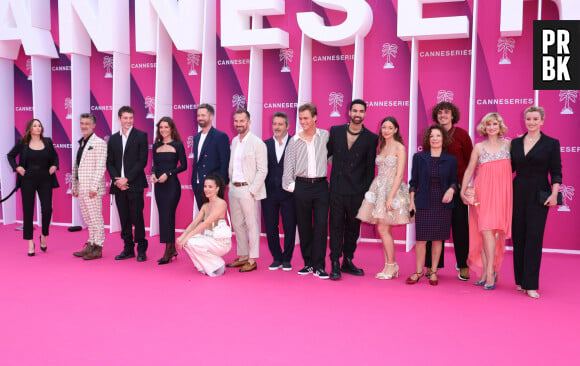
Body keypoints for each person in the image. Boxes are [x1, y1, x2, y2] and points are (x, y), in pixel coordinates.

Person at [511, 106, 562, 299]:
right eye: (529, 119)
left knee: (534, 237)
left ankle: (530, 284)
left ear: (542, 121)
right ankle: (520, 280)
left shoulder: (551, 143)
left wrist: (555, 193)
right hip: (517, 191)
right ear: (524, 121)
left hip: (540, 193)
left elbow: (556, 171)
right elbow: (507, 169)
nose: (531, 122)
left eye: (535, 119)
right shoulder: (515, 143)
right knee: (519, 236)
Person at [327, 99, 378, 280]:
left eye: (361, 111)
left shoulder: (371, 138)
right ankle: (334, 261)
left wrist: (365, 192)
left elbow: (370, 168)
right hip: (337, 189)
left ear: (365, 114)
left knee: (353, 228)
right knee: (335, 226)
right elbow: (328, 154)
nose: (357, 114)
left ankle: (347, 260)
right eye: (354, 110)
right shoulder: (336, 131)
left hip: (358, 192)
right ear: (349, 112)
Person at [460, 113, 512, 290]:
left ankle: (487, 271)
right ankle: (489, 271)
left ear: (500, 126)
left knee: (490, 232)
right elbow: (469, 170)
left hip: (502, 194)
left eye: (495, 124)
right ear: (484, 127)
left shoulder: (508, 144)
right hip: (482, 194)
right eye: (488, 124)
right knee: (484, 230)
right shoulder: (479, 147)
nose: (491, 127)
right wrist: (463, 190)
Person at [357, 117, 411, 280]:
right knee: (383, 229)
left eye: (390, 127)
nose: (386, 130)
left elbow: (400, 174)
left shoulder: (399, 147)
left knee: (383, 229)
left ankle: (392, 265)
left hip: (391, 189)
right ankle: (390, 265)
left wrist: (391, 196)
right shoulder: (382, 146)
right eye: (384, 127)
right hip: (379, 188)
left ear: (396, 130)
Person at [426, 102, 473, 281]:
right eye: (440, 113)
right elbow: (425, 161)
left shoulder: (461, 135)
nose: (443, 115)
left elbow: (470, 162)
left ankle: (463, 263)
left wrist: (464, 185)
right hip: (435, 189)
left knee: (460, 228)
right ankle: (432, 264)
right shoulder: (431, 133)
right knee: (435, 227)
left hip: (459, 190)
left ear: (453, 115)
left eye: (447, 113)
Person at [282, 103, 330, 279]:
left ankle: (320, 266)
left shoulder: (325, 136)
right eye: (300, 118)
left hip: (321, 187)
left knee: (321, 226)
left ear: (315, 117)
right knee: (304, 227)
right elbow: (288, 171)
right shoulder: (294, 141)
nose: (303, 122)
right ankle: (308, 263)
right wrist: (297, 189)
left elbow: (334, 158)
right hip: (301, 187)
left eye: (306, 118)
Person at [407, 125, 457, 286]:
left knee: (437, 239)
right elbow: (413, 181)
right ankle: (418, 271)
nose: (435, 139)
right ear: (428, 139)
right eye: (432, 136)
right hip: (423, 201)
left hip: (442, 203)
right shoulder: (419, 157)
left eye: (438, 136)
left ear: (444, 138)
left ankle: (434, 271)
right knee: (421, 239)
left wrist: (451, 190)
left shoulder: (451, 159)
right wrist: (412, 201)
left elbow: (454, 181)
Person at [7, 118, 59, 256]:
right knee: (28, 212)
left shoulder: (47, 142)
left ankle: (43, 235)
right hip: (27, 180)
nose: (38, 128)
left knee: (47, 209)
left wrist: (54, 166)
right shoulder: (23, 143)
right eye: (35, 126)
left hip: (45, 179)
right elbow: (10, 156)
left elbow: (55, 157)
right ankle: (30, 243)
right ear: (30, 128)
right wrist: (17, 167)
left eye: (39, 126)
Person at [225, 109, 268, 273]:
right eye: (236, 121)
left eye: (242, 121)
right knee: (237, 224)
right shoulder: (234, 141)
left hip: (247, 190)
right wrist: (230, 183)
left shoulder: (258, 143)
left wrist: (252, 190)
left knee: (251, 225)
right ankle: (242, 255)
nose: (238, 124)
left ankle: (252, 258)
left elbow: (263, 170)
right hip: (234, 188)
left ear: (249, 122)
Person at [106, 106, 149, 262]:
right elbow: (109, 162)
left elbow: (142, 161)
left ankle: (141, 248)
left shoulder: (141, 136)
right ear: (119, 118)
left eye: (131, 118)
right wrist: (117, 180)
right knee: (124, 218)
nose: (128, 121)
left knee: (137, 217)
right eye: (125, 118)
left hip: (134, 184)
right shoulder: (114, 138)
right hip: (118, 186)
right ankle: (128, 248)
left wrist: (127, 179)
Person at [178, 174, 232, 277]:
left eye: (210, 187)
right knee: (186, 242)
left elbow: (206, 223)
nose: (207, 189)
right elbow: (194, 223)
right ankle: (202, 267)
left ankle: (218, 266)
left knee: (190, 241)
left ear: (217, 189)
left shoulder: (221, 203)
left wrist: (187, 237)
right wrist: (182, 237)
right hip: (209, 240)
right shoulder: (205, 205)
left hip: (221, 243)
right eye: (205, 186)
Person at [262, 112, 296, 271]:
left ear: (287, 126)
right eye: (274, 124)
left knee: (289, 226)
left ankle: (287, 258)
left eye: (280, 124)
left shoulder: (296, 143)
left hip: (290, 193)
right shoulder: (265, 144)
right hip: (268, 193)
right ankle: (276, 257)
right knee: (270, 226)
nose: (276, 127)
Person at [71, 113, 108, 260]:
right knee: (88, 218)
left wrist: (94, 187)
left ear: (93, 125)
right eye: (82, 123)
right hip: (82, 187)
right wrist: (75, 185)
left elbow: (100, 167)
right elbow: (77, 166)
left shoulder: (99, 143)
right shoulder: (81, 142)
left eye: (87, 123)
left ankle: (98, 247)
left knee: (96, 218)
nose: (84, 126)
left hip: (93, 189)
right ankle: (91, 244)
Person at [151, 117, 187, 265]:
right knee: (163, 216)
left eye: (166, 127)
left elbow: (183, 165)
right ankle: (171, 248)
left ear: (171, 128)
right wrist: (153, 174)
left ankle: (168, 250)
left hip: (172, 186)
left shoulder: (178, 145)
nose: (163, 130)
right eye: (161, 127)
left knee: (169, 215)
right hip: (159, 186)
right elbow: (154, 164)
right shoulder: (156, 146)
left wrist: (169, 174)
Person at [191, 103, 230, 209]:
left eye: (203, 115)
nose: (200, 118)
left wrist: (220, 185)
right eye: (198, 116)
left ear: (211, 116)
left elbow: (224, 163)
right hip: (198, 184)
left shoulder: (220, 136)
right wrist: (194, 181)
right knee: (204, 217)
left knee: (214, 219)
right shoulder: (196, 137)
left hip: (213, 186)